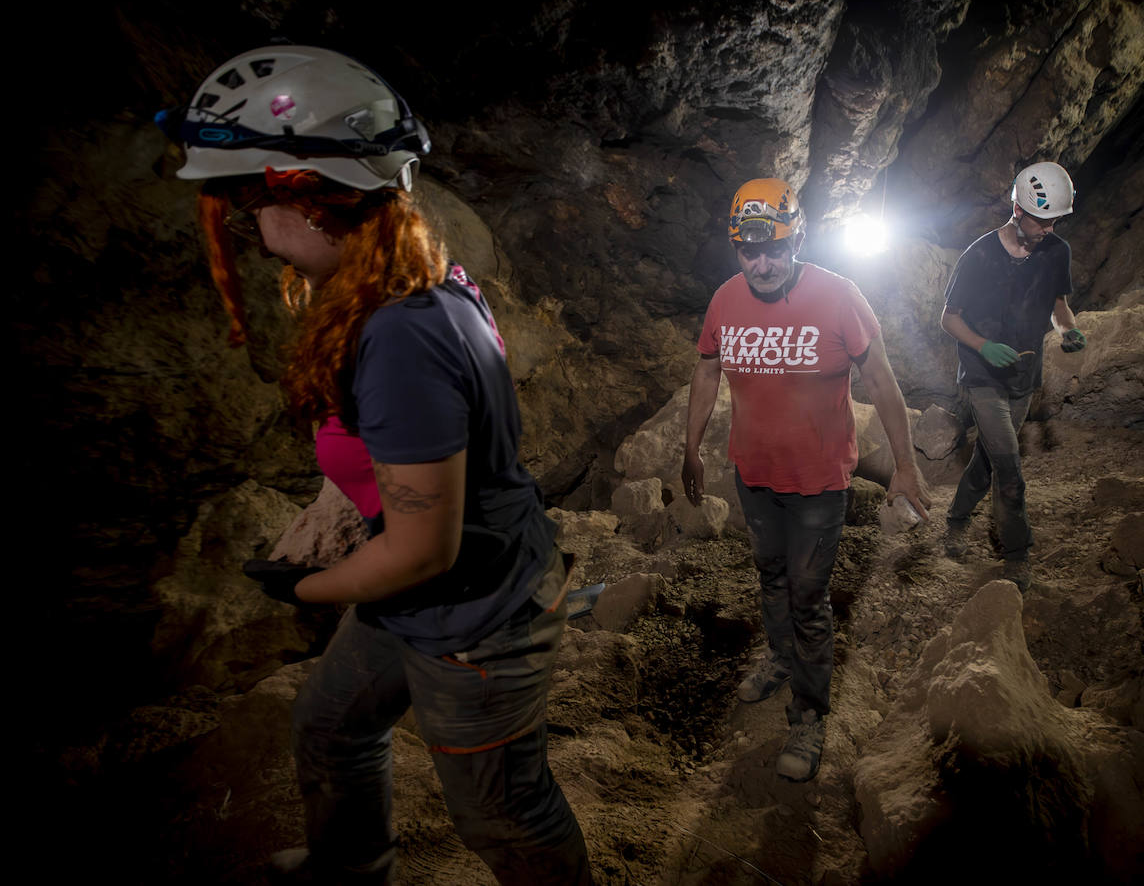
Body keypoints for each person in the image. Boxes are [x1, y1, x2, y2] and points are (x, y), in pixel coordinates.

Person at [158, 45, 592, 885]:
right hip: (422, 590)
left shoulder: (401, 334)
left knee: (503, 812)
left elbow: (424, 549)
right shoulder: (414, 282)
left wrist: (306, 590)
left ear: (309, 201)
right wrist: (338, 507)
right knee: (330, 727)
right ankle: (352, 865)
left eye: (247, 200)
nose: (248, 226)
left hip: (473, 615)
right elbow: (392, 448)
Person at [681, 177, 931, 783]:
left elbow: (881, 382)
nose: (761, 263)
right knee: (769, 574)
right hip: (755, 474)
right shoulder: (725, 300)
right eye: (748, 250)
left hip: (819, 481)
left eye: (775, 248)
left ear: (798, 239)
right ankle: (778, 655)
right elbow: (708, 372)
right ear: (736, 248)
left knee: (808, 596)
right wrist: (689, 447)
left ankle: (810, 713)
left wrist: (904, 463)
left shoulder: (839, 296)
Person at [939, 160, 1088, 592]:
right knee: (1009, 467)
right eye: (1042, 220)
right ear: (1018, 209)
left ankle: (956, 519)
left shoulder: (1056, 251)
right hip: (982, 375)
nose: (1048, 229)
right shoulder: (980, 255)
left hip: (1025, 375)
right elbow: (949, 319)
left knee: (987, 462)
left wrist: (1069, 330)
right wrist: (983, 346)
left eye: (1055, 220)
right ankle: (1018, 555)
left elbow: (1058, 305)